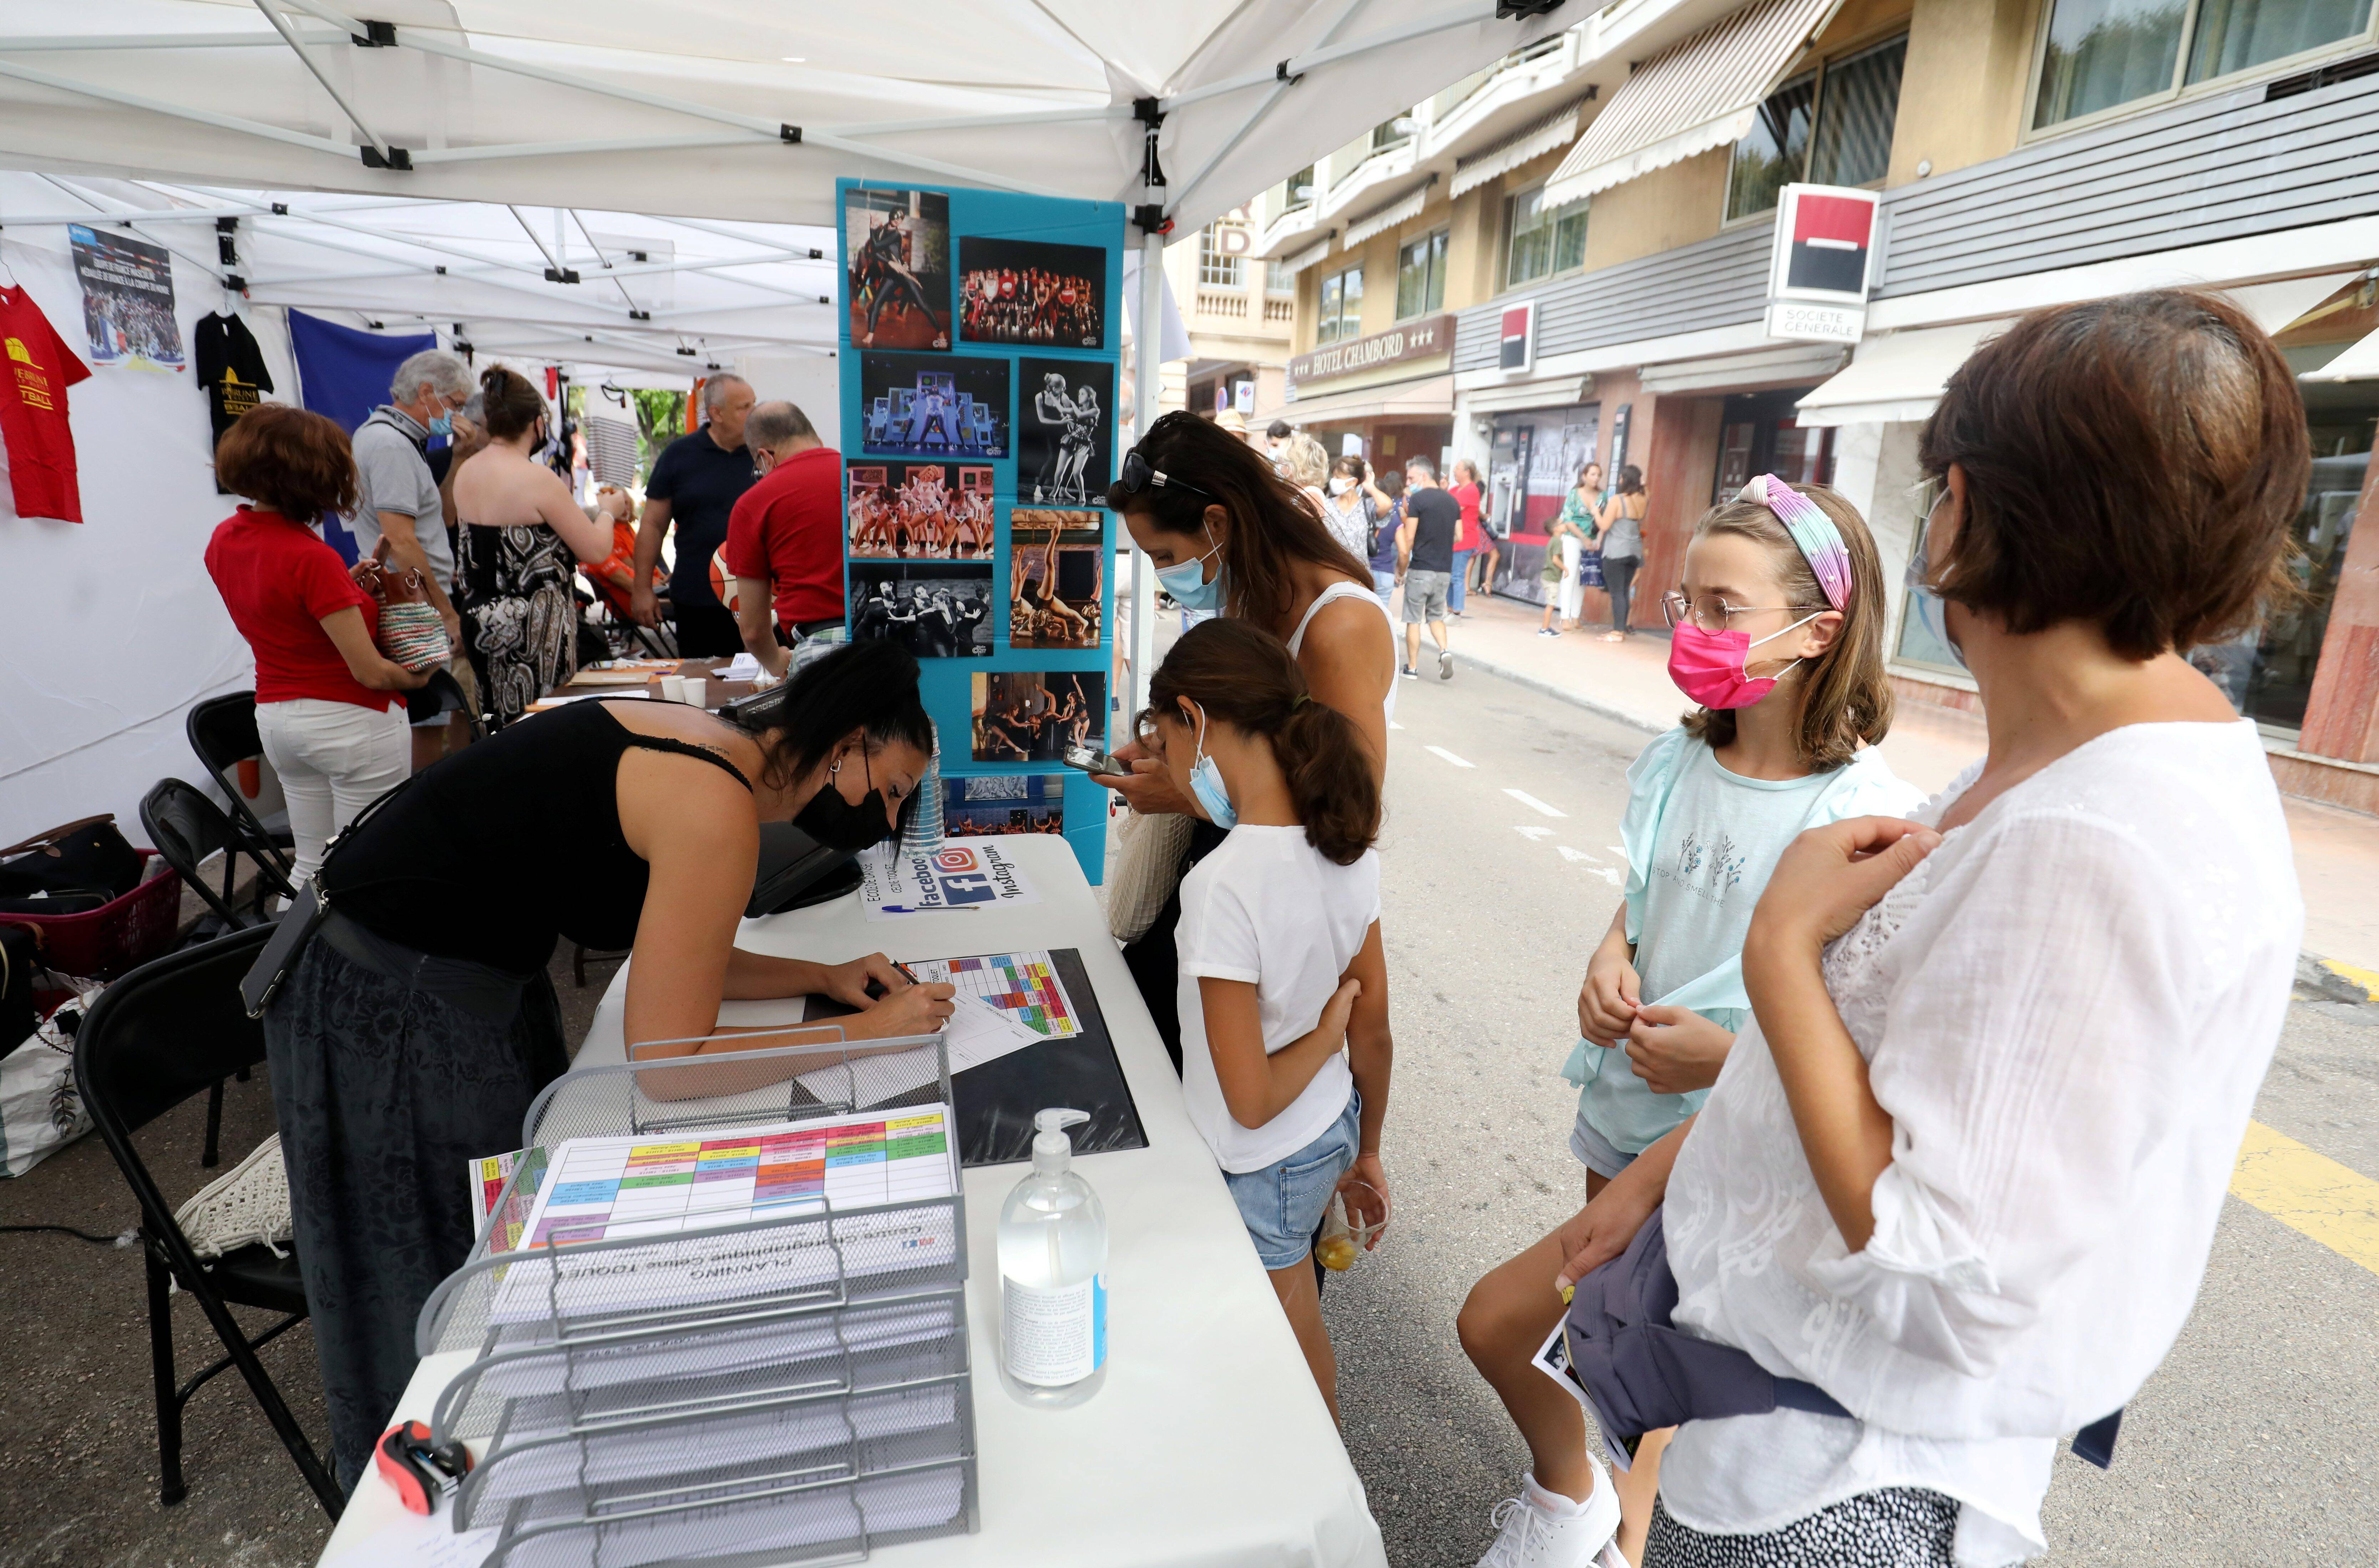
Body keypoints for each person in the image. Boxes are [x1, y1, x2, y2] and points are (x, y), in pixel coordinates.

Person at [1524, 291, 2307, 1568]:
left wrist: (1781, 950)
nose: (1932, 522)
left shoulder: (2099, 834)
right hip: (1783, 1428)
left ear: (1991, 513)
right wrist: (1674, 1177)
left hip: (1842, 1489)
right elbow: (1901, 1072)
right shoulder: (2066, 762)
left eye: (1943, 486)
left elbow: (1946, 1262)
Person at [260, 639, 958, 1491]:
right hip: (390, 1002)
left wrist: (821, 978)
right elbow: (669, 1062)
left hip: (442, 976)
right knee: (442, 1274)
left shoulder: (708, 746)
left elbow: (681, 956)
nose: (884, 821)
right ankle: (438, 1487)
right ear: (846, 739)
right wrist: (871, 1033)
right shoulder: (716, 800)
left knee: (493, 1242)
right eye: (889, 791)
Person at [1456, 475, 1920, 1568]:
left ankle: (1597, 1529)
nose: (1693, 627)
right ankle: (1588, 1517)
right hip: (1617, 1116)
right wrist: (1606, 953)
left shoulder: (1857, 816)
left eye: (1725, 607)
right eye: (1685, 603)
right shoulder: (1674, 758)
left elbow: (1856, 1035)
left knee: (1551, 1345)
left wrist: (1729, 1059)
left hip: (1722, 1155)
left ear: (1817, 631)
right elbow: (1641, 889)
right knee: (1606, 1359)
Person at [1146, 619, 1392, 1421]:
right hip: (1326, 1124)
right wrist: (1369, 1147)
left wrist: (1324, 1031)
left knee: (1285, 1338)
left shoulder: (1224, 885)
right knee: (1286, 1325)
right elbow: (1377, 1032)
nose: (1172, 766)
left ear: (1196, 718)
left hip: (1263, 1155)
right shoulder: (1348, 853)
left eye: (1164, 739)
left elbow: (1247, 1099)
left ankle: (1321, 1498)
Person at [1095, 410, 1397, 1061]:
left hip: (1274, 921)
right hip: (1227, 883)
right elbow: (1243, 738)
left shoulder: (1336, 628)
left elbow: (1348, 814)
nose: (1162, 577)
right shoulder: (1253, 595)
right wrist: (1169, 750)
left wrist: (1186, 794)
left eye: (1165, 557)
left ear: (1217, 524)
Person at [205, 405, 431, 889]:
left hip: (279, 720)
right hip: (350, 722)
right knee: (365, 867)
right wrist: (419, 677)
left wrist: (344, 592)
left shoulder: (224, 539)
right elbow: (370, 671)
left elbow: (283, 612)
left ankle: (293, 962)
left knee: (310, 865)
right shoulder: (310, 556)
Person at [450, 368, 614, 729]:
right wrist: (608, 513)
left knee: (494, 721)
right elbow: (596, 550)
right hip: (533, 624)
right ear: (537, 424)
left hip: (479, 614)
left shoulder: (467, 471)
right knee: (539, 729)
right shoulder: (538, 479)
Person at [348, 348, 472, 769]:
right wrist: (445, 610)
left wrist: (457, 459)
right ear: (426, 392)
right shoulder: (390, 444)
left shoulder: (393, 438)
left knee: (432, 715)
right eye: (454, 404)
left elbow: (432, 517)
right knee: (428, 718)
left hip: (411, 595)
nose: (455, 415)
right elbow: (400, 541)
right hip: (412, 601)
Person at [631, 375, 758, 656]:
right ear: (716, 413)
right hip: (698, 600)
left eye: (754, 404)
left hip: (761, 599)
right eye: (744, 407)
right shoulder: (678, 456)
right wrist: (642, 589)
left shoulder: (763, 454)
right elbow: (652, 524)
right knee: (701, 688)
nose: (754, 413)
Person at [725, 400, 845, 678]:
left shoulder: (753, 503)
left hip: (820, 656)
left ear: (765, 457)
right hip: (894, 651)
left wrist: (778, 662)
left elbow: (753, 629)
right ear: (817, 440)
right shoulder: (867, 479)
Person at [1398, 456, 1458, 682]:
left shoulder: (1418, 500)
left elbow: (1410, 538)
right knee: (1436, 616)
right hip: (1444, 569)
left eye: (1411, 477)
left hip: (1421, 567)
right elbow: (1459, 535)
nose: (1409, 481)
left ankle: (1412, 668)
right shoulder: (1452, 502)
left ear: (1424, 476)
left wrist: (1402, 566)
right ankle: (1445, 650)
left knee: (1414, 619)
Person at [1542, 461, 1602, 636]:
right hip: (1573, 538)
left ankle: (1576, 616)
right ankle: (1565, 617)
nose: (1596, 478)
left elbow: (1602, 522)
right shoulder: (1574, 495)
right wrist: (1583, 537)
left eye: (1598, 474)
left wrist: (1597, 540)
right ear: (1584, 476)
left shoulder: (1602, 496)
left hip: (1590, 541)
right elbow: (1567, 519)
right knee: (1570, 576)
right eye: (1592, 474)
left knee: (1582, 580)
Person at [1595, 465, 1647, 641]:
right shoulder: (1643, 499)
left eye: (1621, 478)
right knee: (1624, 591)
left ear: (1625, 480)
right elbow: (1646, 489)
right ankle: (1621, 629)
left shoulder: (1617, 500)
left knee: (1617, 593)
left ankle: (1617, 632)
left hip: (1616, 551)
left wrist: (1596, 513)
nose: (1619, 481)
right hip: (1635, 552)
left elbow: (1604, 525)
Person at [1447, 458, 1484, 616]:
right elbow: (1445, 504)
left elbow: (1453, 508)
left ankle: (1457, 609)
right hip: (1453, 539)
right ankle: (1450, 607)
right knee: (1450, 575)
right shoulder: (1455, 489)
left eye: (1457, 468)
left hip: (1464, 539)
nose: (1454, 471)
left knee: (1457, 575)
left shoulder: (1471, 490)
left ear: (1467, 472)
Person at [1319, 455, 1373, 564]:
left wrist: (1371, 488)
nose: (1334, 481)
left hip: (1360, 573)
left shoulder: (1367, 505)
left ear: (1353, 482)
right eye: (1333, 476)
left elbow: (1387, 505)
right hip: (1332, 570)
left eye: (1338, 477)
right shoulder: (1326, 505)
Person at [1368, 470, 1405, 607]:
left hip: (1363, 571)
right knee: (1381, 616)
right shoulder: (1394, 519)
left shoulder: (1359, 514)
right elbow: (1404, 552)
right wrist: (1400, 572)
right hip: (1385, 573)